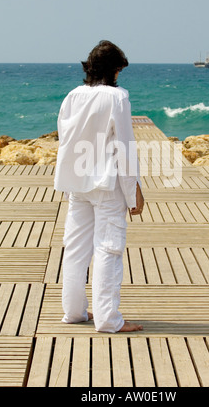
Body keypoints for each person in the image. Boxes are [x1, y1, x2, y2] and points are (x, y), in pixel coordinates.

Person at [54, 40, 144, 333]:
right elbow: (125, 147)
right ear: (114, 70)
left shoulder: (72, 96)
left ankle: (74, 311)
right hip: (107, 184)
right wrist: (134, 191)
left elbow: (65, 139)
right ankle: (108, 319)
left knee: (76, 248)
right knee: (108, 248)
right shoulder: (117, 98)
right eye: (119, 70)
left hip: (76, 184)